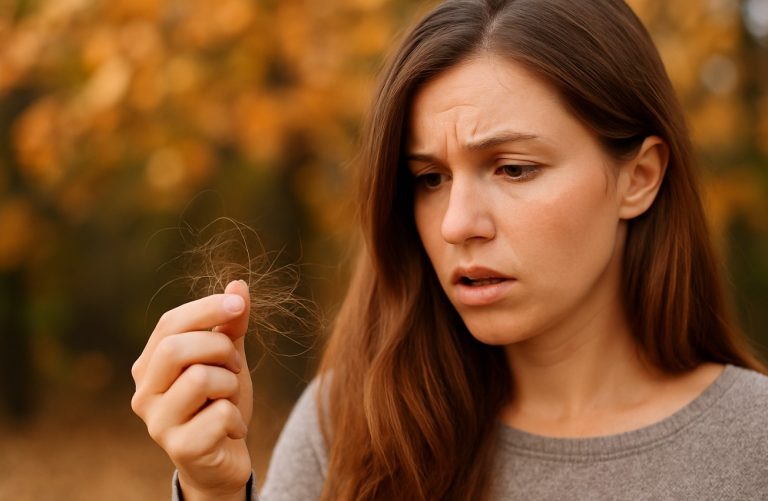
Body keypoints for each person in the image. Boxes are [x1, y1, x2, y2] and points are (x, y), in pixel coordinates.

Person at [130, 0, 768, 499]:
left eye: (514, 168)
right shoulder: (354, 426)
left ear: (639, 178)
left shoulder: (754, 443)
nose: (457, 223)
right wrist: (214, 490)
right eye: (429, 179)